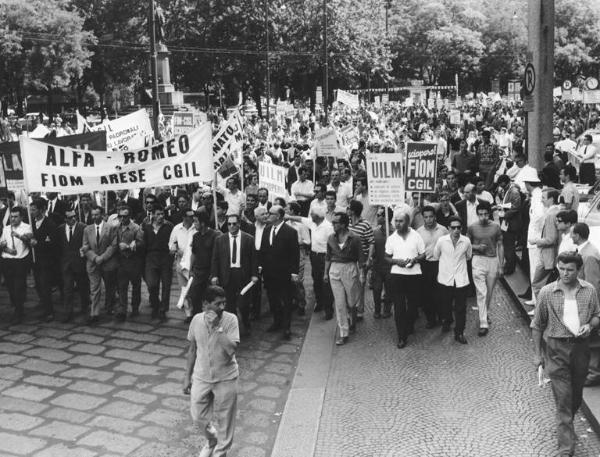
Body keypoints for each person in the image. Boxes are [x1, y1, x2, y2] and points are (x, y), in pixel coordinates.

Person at [531, 252, 600, 457]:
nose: (565, 273)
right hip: (556, 349)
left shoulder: (589, 291)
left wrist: (589, 326)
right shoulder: (547, 292)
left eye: (570, 269)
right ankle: (565, 449)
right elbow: (537, 325)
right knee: (563, 400)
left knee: (575, 397)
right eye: (561, 268)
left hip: (580, 349)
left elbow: (597, 315)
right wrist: (537, 355)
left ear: (578, 270)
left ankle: (567, 428)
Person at [183, 285, 240, 457]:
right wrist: (187, 377)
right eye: (218, 304)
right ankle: (211, 439)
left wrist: (218, 328)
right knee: (198, 417)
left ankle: (219, 453)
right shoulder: (196, 320)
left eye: (224, 303)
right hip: (201, 377)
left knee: (225, 422)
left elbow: (231, 350)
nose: (222, 307)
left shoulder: (231, 320)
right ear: (205, 305)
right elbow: (192, 350)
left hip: (226, 378)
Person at [210, 214, 258, 336]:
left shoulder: (249, 239)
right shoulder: (220, 240)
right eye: (229, 224)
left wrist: (254, 274)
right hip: (227, 274)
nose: (231, 226)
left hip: (243, 275)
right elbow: (215, 259)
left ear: (239, 224)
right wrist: (214, 275)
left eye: (234, 224)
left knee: (243, 304)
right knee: (229, 304)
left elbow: (253, 259)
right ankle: (233, 327)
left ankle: (246, 323)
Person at [286, 205, 335, 320]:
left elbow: (332, 245)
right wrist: (288, 217)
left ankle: (329, 309)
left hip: (325, 257)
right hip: (314, 256)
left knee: (326, 283)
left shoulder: (328, 227)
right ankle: (319, 303)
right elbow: (300, 219)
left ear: (317, 216)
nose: (310, 216)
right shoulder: (313, 223)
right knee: (316, 280)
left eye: (312, 214)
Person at [385, 210, 425, 349]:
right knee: (399, 306)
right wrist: (397, 261)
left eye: (401, 221)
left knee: (413, 305)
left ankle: (409, 324)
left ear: (407, 222)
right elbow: (387, 257)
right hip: (397, 275)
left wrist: (414, 260)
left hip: (414, 275)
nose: (397, 224)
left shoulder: (416, 236)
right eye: (396, 221)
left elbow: (423, 255)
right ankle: (401, 336)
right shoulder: (391, 238)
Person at [259, 205, 299, 340]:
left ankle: (286, 327)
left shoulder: (290, 232)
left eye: (271, 213)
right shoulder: (267, 230)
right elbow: (264, 250)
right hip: (269, 273)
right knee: (273, 299)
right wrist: (261, 267)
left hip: (284, 273)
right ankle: (277, 322)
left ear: (279, 216)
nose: (268, 215)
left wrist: (294, 272)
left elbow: (295, 254)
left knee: (286, 300)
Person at [325, 211, 364, 345]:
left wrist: (363, 274)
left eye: (335, 222)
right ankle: (343, 332)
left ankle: (353, 318)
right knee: (340, 303)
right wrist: (326, 273)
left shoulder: (355, 238)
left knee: (351, 301)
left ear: (343, 224)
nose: (333, 224)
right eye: (333, 222)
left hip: (350, 268)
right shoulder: (331, 238)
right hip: (334, 269)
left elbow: (361, 258)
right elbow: (328, 257)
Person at [433, 215, 472, 344]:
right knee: (445, 304)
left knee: (461, 308)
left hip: (461, 279)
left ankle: (459, 332)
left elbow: (468, 256)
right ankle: (446, 321)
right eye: (453, 228)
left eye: (458, 227)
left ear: (461, 228)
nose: (456, 230)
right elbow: (436, 255)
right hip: (445, 279)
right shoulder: (441, 241)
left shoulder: (466, 241)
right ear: (448, 228)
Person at [468, 202, 503, 337]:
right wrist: (476, 247)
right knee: (481, 292)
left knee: (488, 292)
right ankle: (483, 323)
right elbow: (467, 244)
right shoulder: (472, 228)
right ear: (477, 214)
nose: (483, 217)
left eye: (485, 214)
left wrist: (501, 264)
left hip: (492, 260)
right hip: (478, 261)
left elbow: (500, 245)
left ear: (489, 214)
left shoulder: (496, 227)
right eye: (480, 214)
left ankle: (484, 313)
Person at [81, 206, 118, 325]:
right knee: (94, 289)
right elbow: (85, 246)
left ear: (102, 215)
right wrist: (95, 257)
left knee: (109, 287)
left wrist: (103, 257)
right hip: (93, 263)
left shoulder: (110, 228)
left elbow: (113, 245)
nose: (95, 217)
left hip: (107, 263)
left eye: (97, 214)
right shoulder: (87, 229)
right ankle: (94, 313)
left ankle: (109, 307)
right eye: (93, 215)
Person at [417, 205, 448, 328]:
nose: (429, 220)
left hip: (440, 264)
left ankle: (442, 317)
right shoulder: (418, 232)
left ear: (435, 217)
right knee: (426, 294)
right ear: (423, 218)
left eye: (431, 217)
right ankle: (431, 319)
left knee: (440, 293)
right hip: (425, 265)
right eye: (426, 217)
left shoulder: (443, 230)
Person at [1, 206, 32, 324]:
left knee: (19, 286)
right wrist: (8, 249)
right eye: (11, 217)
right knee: (10, 287)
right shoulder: (6, 228)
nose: (13, 219)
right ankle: (17, 307)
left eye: (15, 217)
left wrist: (18, 236)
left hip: (20, 261)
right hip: (7, 260)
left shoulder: (26, 227)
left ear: (21, 217)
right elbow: (1, 243)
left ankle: (19, 311)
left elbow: (29, 239)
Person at [530, 189, 561, 310]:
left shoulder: (550, 215)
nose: (541, 200)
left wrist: (536, 241)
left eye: (543, 197)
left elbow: (550, 239)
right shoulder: (557, 211)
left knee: (537, 284)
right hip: (553, 255)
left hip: (548, 255)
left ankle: (541, 311)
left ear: (551, 199)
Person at [57, 209, 89, 323]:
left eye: (74, 216)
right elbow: (60, 246)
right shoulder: (60, 229)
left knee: (83, 288)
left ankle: (85, 310)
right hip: (66, 264)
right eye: (70, 217)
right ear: (65, 219)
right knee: (67, 289)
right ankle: (68, 312)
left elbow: (87, 243)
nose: (73, 219)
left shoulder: (83, 227)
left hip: (79, 263)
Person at [143, 206, 174, 321]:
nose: (161, 216)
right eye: (158, 214)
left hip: (165, 258)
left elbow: (174, 241)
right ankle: (155, 304)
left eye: (162, 214)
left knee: (166, 285)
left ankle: (163, 310)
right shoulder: (147, 227)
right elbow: (144, 243)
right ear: (153, 215)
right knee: (152, 284)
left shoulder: (169, 226)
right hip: (151, 258)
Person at [30, 197, 59, 322]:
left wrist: (38, 243)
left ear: (42, 210)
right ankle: (44, 306)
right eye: (31, 209)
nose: (31, 212)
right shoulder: (31, 224)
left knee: (45, 286)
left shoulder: (49, 224)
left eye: (34, 210)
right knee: (38, 285)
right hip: (35, 260)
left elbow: (53, 244)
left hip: (46, 262)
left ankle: (49, 312)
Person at [189, 209, 221, 315]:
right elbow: (194, 254)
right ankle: (196, 317)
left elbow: (216, 257)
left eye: (195, 221)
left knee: (211, 298)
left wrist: (214, 274)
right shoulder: (195, 236)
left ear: (202, 223)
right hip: (198, 271)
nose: (194, 224)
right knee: (194, 295)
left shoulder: (214, 235)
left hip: (210, 272)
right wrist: (190, 269)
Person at [116, 206, 144, 321]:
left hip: (134, 261)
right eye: (120, 216)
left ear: (130, 216)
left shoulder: (136, 228)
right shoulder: (116, 228)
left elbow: (141, 243)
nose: (123, 218)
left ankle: (135, 308)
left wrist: (131, 245)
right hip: (121, 261)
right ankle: (122, 310)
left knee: (136, 286)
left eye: (125, 216)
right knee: (122, 286)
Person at [348, 200, 374, 321]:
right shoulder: (346, 222)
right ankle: (351, 308)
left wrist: (369, 259)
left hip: (361, 261)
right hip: (348, 259)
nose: (347, 210)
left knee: (360, 285)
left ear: (353, 211)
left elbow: (371, 242)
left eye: (349, 208)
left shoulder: (365, 224)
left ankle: (359, 311)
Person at [169, 207, 196, 323]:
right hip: (180, 263)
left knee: (194, 289)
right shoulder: (177, 228)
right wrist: (175, 250)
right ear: (184, 217)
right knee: (184, 289)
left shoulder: (196, 228)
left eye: (192, 216)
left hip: (193, 263)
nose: (191, 219)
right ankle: (189, 313)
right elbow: (171, 245)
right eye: (189, 216)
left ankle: (197, 311)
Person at [285, 202, 310, 316]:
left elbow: (307, 241)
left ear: (293, 211)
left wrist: (296, 242)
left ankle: (301, 304)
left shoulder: (302, 226)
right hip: (287, 254)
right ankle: (293, 301)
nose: (286, 210)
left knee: (298, 281)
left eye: (288, 209)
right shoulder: (286, 224)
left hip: (299, 253)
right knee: (289, 281)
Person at [496, 174, 522, 275]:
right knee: (505, 241)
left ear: (508, 183)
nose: (502, 188)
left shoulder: (514, 192)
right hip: (505, 222)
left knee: (509, 244)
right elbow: (510, 204)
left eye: (504, 186)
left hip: (510, 222)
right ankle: (508, 264)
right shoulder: (507, 190)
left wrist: (504, 214)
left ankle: (510, 267)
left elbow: (515, 207)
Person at [370, 207, 393, 319]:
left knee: (389, 290)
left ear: (385, 217)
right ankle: (377, 310)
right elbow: (372, 248)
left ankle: (387, 310)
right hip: (377, 266)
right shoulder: (375, 232)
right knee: (377, 289)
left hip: (390, 267)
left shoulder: (395, 232)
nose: (377, 217)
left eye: (379, 215)